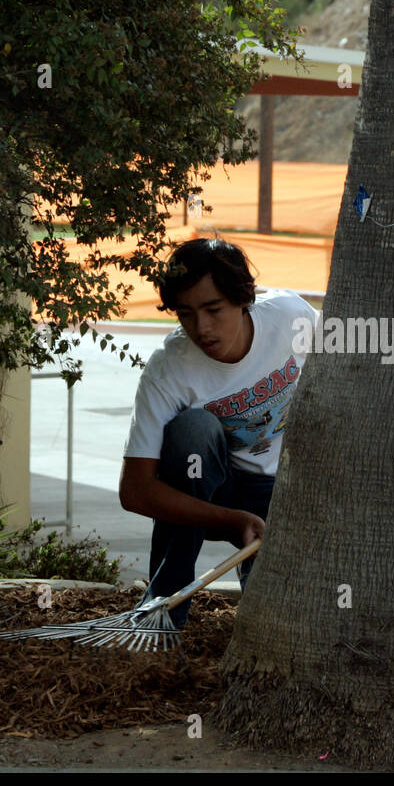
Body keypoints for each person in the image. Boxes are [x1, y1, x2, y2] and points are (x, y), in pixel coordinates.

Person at [118, 237, 318, 626]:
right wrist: (231, 519)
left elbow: (349, 376)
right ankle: (162, 610)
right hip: (214, 493)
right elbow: (135, 490)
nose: (202, 328)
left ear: (244, 298)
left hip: (289, 489)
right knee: (193, 431)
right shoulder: (169, 369)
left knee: (275, 624)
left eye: (213, 310)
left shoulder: (291, 317)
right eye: (185, 314)